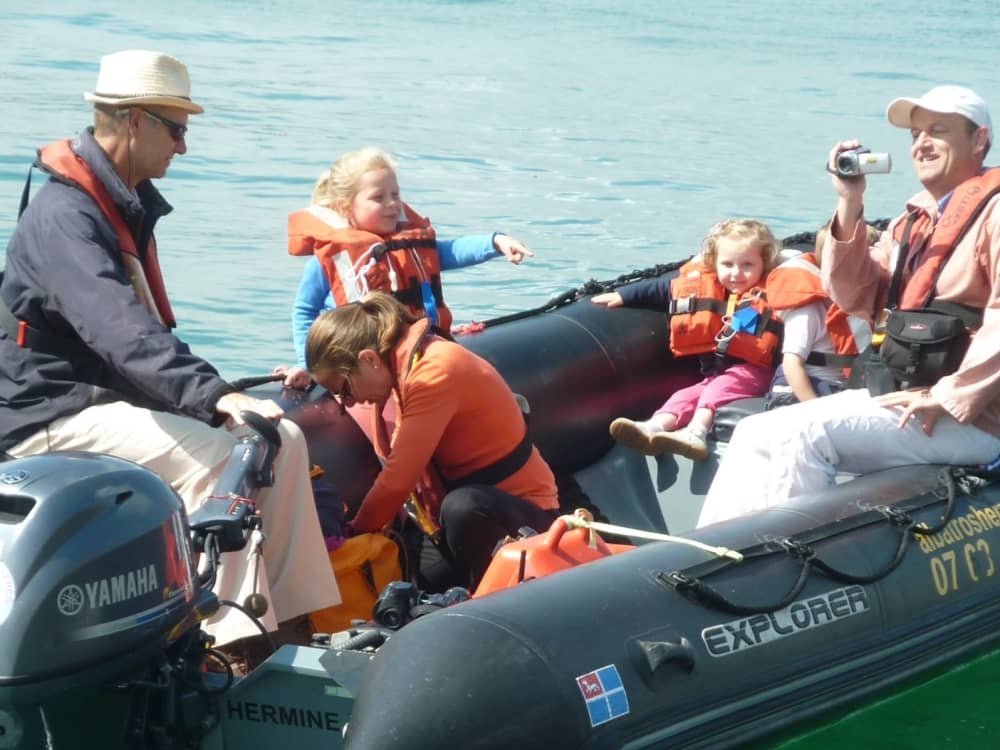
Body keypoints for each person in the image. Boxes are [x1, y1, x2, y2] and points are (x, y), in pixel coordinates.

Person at [0, 50, 340, 646]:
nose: (183, 147)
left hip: (97, 397)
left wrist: (217, 398)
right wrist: (213, 397)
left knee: (280, 438)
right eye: (177, 129)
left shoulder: (114, 205)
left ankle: (289, 619)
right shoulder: (65, 217)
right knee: (226, 459)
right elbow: (119, 328)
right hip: (47, 411)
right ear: (135, 122)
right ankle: (233, 637)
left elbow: (134, 337)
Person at [699, 85, 1000, 527]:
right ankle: (706, 556)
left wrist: (949, 397)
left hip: (970, 417)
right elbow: (853, 294)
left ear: (979, 141)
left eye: (939, 131)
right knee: (753, 430)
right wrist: (850, 200)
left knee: (802, 433)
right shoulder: (913, 221)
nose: (922, 143)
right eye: (916, 134)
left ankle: (774, 571)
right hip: (903, 397)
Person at [305, 292, 559, 589]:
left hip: (521, 517)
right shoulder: (404, 367)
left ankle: (490, 602)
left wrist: (355, 534)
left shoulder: (434, 371)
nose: (348, 403)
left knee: (462, 506)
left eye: (345, 390)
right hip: (448, 524)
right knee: (418, 590)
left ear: (369, 359)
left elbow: (399, 480)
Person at [276, 146, 533, 389]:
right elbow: (304, 310)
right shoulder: (330, 259)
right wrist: (309, 365)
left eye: (395, 194)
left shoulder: (409, 245)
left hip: (416, 354)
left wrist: (496, 242)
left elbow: (450, 251)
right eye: (378, 197)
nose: (392, 204)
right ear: (346, 207)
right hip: (363, 367)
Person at [594, 219, 783, 460]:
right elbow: (662, 290)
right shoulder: (707, 284)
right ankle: (653, 428)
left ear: (764, 263)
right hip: (717, 373)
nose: (736, 273)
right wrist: (622, 295)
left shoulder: (775, 291)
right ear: (714, 263)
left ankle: (696, 432)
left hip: (756, 372)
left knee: (716, 390)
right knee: (685, 396)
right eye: (727, 264)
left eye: (747, 265)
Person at [762, 223, 877, 410]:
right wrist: (814, 409)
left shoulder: (871, 303)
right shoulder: (809, 309)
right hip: (802, 391)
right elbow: (792, 365)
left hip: (842, 390)